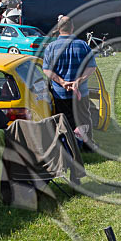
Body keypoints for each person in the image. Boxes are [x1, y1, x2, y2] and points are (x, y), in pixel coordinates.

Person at [42, 15, 97, 145]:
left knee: (63, 119)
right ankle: (87, 144)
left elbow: (47, 70)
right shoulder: (82, 45)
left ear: (59, 28)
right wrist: (79, 81)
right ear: (72, 28)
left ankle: (67, 144)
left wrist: (62, 82)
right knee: (84, 118)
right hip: (80, 92)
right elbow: (92, 67)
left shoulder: (51, 47)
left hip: (60, 93)